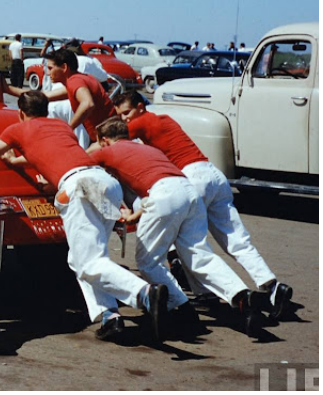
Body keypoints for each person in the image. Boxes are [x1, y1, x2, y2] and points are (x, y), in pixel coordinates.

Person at [0, 91, 166, 342]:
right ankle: (110, 316)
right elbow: (49, 154)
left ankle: (143, 293)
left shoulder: (16, 130)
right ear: (46, 109)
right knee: (83, 259)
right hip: (104, 182)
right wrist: (18, 162)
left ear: (21, 113)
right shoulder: (61, 126)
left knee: (88, 262)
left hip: (78, 185)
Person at [110, 90, 293, 319]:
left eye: (127, 112)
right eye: (121, 115)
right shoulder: (166, 119)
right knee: (236, 239)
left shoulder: (142, 120)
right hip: (212, 174)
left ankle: (213, 293)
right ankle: (272, 287)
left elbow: (111, 138)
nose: (125, 119)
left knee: (190, 245)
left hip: (191, 177)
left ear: (140, 106)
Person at [91, 117, 265, 337]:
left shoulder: (108, 151)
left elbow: (81, 161)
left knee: (148, 262)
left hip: (164, 193)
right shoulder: (145, 149)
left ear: (105, 140)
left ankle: (182, 310)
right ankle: (242, 298)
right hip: (187, 190)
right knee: (199, 255)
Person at [6, 48, 113, 143]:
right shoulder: (79, 79)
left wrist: (68, 128)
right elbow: (43, 96)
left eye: (51, 68)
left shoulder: (75, 81)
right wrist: (7, 89)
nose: (48, 73)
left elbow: (88, 104)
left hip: (111, 136)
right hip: (106, 136)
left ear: (64, 67)